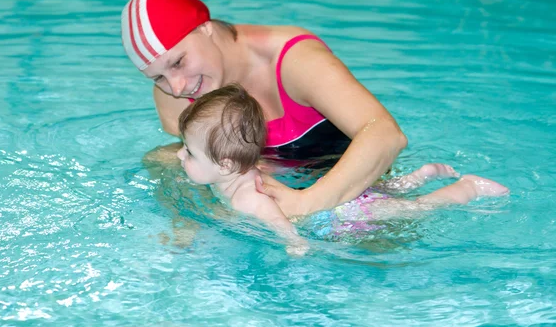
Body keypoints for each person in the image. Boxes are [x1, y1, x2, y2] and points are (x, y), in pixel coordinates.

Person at [121, 0, 408, 217]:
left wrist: (306, 203)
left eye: (179, 62)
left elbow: (385, 134)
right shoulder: (171, 94)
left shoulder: (294, 61)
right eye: (157, 77)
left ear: (205, 28)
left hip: (354, 187)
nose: (177, 86)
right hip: (272, 192)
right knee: (160, 159)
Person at [175, 85, 509, 250]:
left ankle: (467, 188)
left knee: (414, 210)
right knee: (383, 192)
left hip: (344, 215)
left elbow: (273, 217)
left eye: (189, 152)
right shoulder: (247, 169)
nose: (179, 156)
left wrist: (294, 243)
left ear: (225, 163)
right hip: (336, 198)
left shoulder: (247, 196)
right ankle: (420, 175)